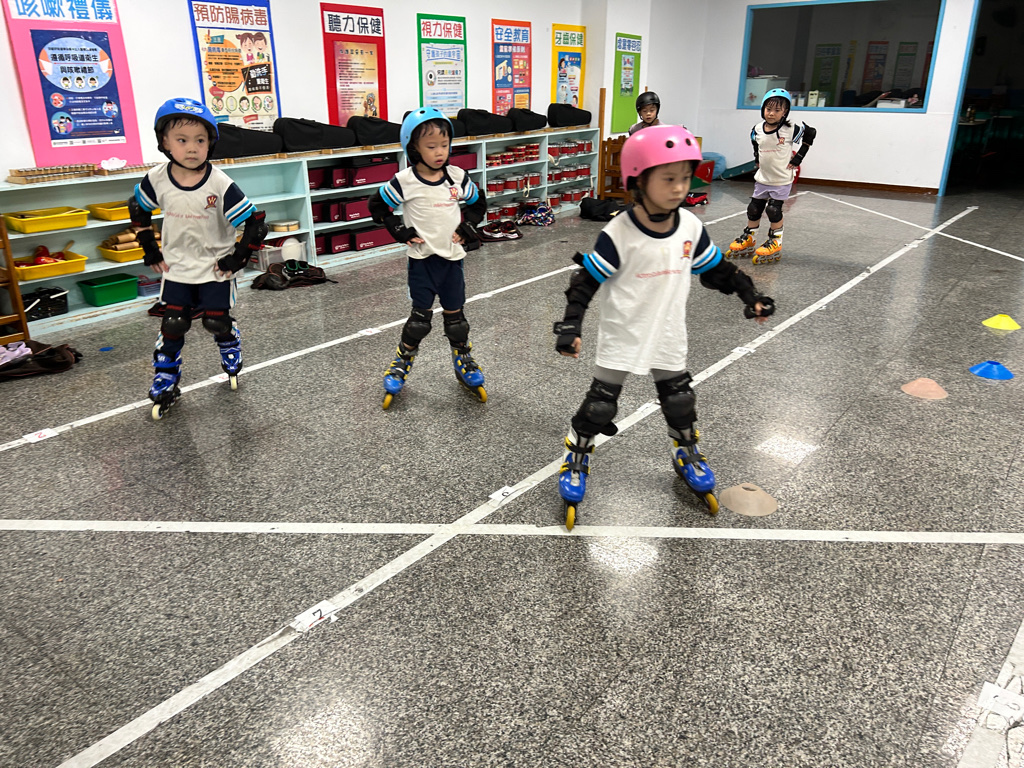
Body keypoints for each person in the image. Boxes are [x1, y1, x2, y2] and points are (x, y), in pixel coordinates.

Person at [552, 125, 775, 530]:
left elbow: (717, 270)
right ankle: (577, 454)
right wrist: (570, 326)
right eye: (668, 178)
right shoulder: (619, 233)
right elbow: (585, 282)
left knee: (680, 400)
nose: (679, 188)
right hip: (623, 333)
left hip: (668, 331)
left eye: (685, 178)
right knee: (600, 406)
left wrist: (750, 295)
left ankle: (685, 450)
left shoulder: (689, 226)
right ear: (638, 181)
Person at [129, 97, 267, 419]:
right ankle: (166, 378)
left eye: (200, 140)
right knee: (173, 324)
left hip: (214, 268)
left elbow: (255, 225)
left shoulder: (219, 183)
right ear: (165, 142)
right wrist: (149, 247)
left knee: (215, 321)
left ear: (210, 144)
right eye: (182, 140)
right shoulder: (157, 178)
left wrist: (237, 259)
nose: (192, 148)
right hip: (176, 268)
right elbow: (138, 207)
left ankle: (229, 340)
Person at [368, 107, 488, 410]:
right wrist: (398, 229)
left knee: (456, 319)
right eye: (431, 146)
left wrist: (469, 227)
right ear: (413, 149)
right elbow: (376, 206)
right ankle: (402, 359)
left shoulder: (457, 177)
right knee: (420, 321)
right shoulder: (404, 180)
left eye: (444, 145)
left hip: (452, 261)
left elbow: (478, 203)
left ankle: (463, 357)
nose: (439, 152)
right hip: (422, 261)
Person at [728, 89, 816, 264]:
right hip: (763, 178)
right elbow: (755, 143)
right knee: (754, 208)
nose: (771, 113)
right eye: (768, 109)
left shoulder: (790, 129)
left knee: (773, 210)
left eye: (777, 110)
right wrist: (757, 158)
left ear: (785, 112)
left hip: (781, 179)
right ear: (763, 109)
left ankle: (775, 241)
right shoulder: (757, 129)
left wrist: (798, 158)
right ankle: (750, 237)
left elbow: (810, 134)